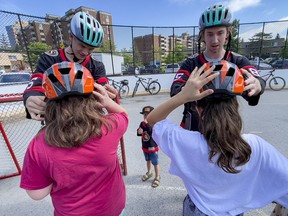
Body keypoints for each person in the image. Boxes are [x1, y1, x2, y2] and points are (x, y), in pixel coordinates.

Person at [147, 63, 288, 216]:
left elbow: (153, 120)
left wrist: (183, 96)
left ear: (198, 110)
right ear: (236, 107)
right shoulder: (255, 146)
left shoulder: (186, 142)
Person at [20, 62, 128, 216]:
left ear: (48, 103)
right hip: (113, 209)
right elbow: (123, 114)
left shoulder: (39, 144)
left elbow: (36, 194)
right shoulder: (109, 127)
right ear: (93, 96)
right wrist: (108, 102)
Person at [170, 3, 266, 131]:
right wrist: (188, 89)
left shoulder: (238, 60)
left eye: (220, 33)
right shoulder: (191, 63)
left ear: (228, 33)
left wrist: (258, 85)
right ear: (202, 35)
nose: (215, 40)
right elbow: (175, 89)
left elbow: (257, 82)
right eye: (210, 34)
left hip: (226, 129)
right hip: (194, 128)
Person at [24, 11, 108, 121]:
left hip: (88, 120)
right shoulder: (49, 58)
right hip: (58, 121)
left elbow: (103, 88)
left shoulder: (97, 65)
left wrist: (109, 94)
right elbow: (36, 84)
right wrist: (30, 98)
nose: (85, 52)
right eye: (82, 45)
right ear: (71, 37)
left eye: (91, 49)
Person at [137, 106, 160, 188]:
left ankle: (157, 176)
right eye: (144, 114)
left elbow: (150, 131)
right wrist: (139, 131)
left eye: (148, 114)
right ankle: (149, 172)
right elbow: (140, 132)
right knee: (148, 160)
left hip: (152, 147)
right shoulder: (142, 123)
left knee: (155, 162)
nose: (146, 116)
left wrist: (146, 124)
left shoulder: (154, 124)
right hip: (145, 146)